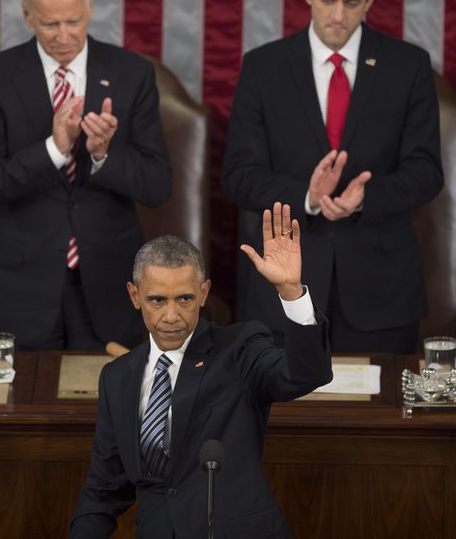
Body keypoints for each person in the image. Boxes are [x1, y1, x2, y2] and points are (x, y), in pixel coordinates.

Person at [222, 0, 444, 354]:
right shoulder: (263, 67)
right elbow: (239, 176)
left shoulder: (408, 66)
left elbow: (427, 171)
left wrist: (364, 198)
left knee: (378, 418)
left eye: (351, 2)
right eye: (327, 0)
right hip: (286, 289)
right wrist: (306, 197)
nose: (338, 16)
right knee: (283, 417)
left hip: (381, 293)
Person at [69, 202, 332, 538]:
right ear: (135, 296)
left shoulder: (239, 349)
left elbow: (305, 375)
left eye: (184, 299)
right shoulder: (117, 378)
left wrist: (291, 291)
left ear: (204, 293)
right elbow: (104, 488)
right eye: (157, 300)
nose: (171, 316)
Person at [0, 0, 171, 350]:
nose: (63, 35)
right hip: (22, 289)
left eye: (73, 21)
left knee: (110, 407)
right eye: (49, 23)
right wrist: (53, 149)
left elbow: (158, 184)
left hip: (110, 284)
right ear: (27, 15)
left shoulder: (132, 74)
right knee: (21, 407)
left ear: (90, 8)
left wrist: (103, 154)